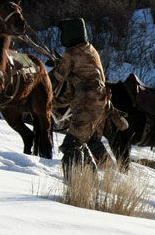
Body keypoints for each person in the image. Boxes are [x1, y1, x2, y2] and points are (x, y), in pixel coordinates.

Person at [51, 17, 126, 174]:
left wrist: (58, 64)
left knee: (71, 145)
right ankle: (111, 175)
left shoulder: (71, 53)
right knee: (90, 140)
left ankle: (81, 180)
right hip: (101, 103)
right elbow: (73, 87)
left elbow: (59, 76)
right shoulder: (91, 49)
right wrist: (55, 103)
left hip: (86, 105)